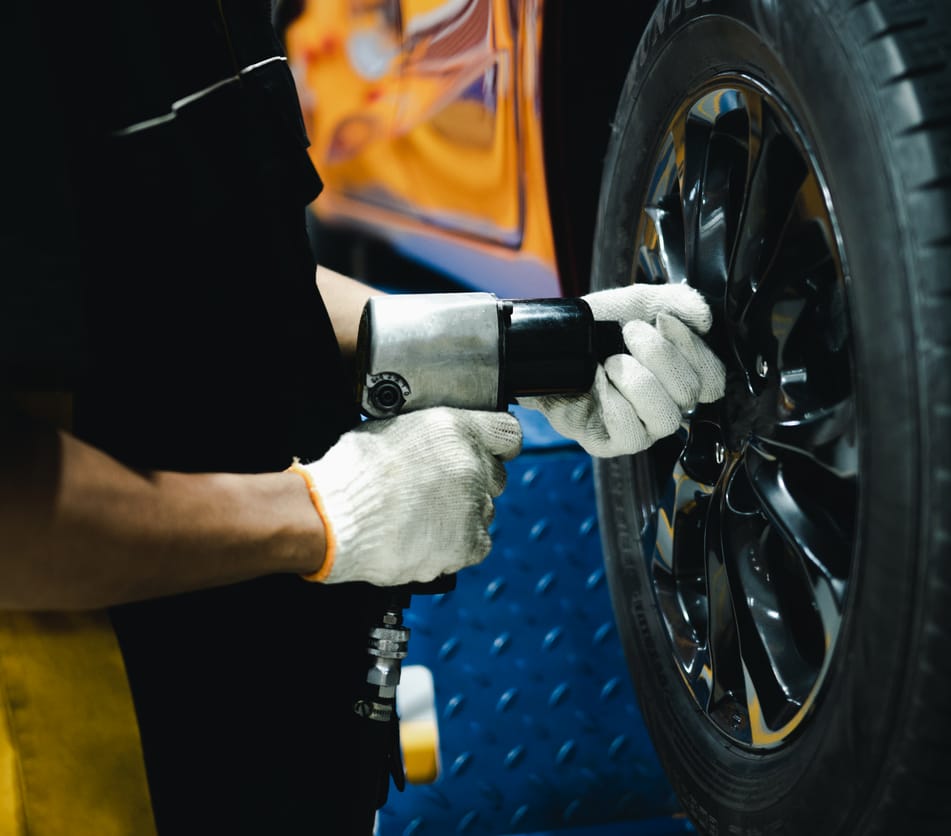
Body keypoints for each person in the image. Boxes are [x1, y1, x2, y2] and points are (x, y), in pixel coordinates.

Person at [0, 4, 724, 835]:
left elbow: (205, 281)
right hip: (99, 770)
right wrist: (320, 515)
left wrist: (500, 348)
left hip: (272, 735)